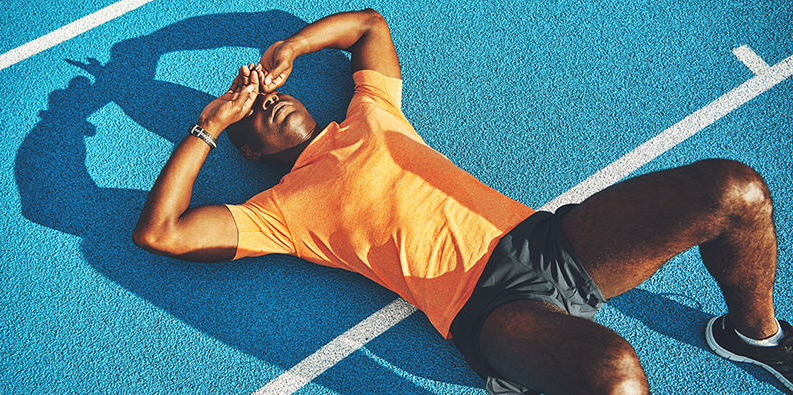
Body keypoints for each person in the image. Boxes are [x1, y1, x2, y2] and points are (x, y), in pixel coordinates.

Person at [132, 9, 792, 395]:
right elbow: (162, 232)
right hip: (490, 312)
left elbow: (368, 25)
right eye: (251, 111)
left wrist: (290, 48)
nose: (263, 98)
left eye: (266, 90)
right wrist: (213, 121)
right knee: (616, 372)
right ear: (246, 153)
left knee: (736, 191)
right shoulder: (278, 211)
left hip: (548, 243)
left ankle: (751, 335)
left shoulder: (370, 113)